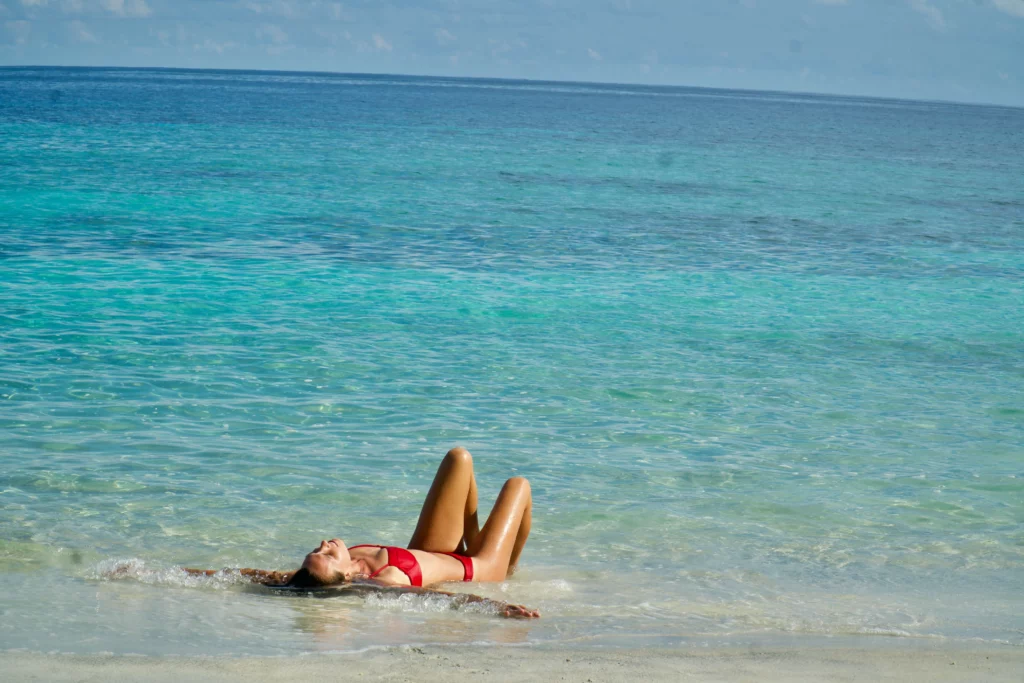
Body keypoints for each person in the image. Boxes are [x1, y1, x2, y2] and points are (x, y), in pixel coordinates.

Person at [185, 447, 538, 618]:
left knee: (458, 457)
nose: (325, 544)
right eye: (327, 554)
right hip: (478, 568)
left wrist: (148, 571)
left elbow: (240, 575)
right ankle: (505, 567)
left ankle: (477, 541)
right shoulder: (380, 582)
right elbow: (432, 599)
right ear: (347, 575)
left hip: (437, 550)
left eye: (317, 549)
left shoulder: (312, 577)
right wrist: (494, 604)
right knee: (517, 485)